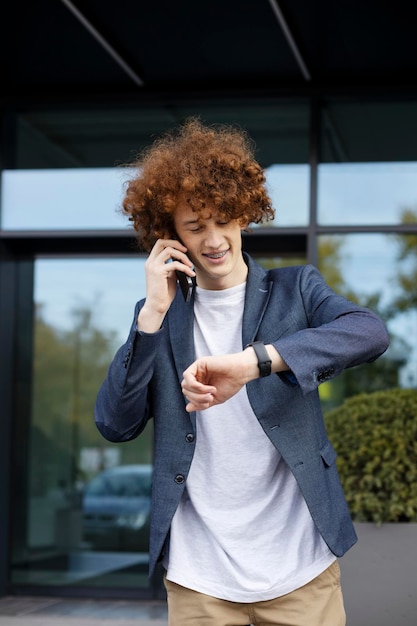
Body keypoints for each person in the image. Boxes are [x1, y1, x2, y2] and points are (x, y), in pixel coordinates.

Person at [94, 118, 390, 626]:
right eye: (194, 226)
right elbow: (115, 424)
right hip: (199, 575)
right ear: (170, 237)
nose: (213, 239)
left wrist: (255, 362)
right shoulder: (159, 316)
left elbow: (368, 332)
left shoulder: (296, 289)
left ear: (243, 213)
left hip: (299, 566)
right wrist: (149, 320)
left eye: (222, 218)